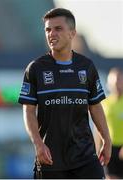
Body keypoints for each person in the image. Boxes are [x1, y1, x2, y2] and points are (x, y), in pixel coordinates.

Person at [18, 8, 111, 179]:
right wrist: (38, 144)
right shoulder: (36, 68)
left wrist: (107, 139)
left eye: (58, 28)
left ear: (72, 33)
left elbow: (95, 106)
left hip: (85, 157)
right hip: (50, 160)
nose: (51, 34)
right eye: (48, 29)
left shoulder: (86, 66)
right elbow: (28, 110)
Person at [101, 68, 123, 179]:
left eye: (119, 80)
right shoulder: (104, 103)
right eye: (113, 82)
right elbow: (99, 128)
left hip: (122, 146)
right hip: (110, 147)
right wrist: (97, 147)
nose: (116, 84)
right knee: (110, 177)